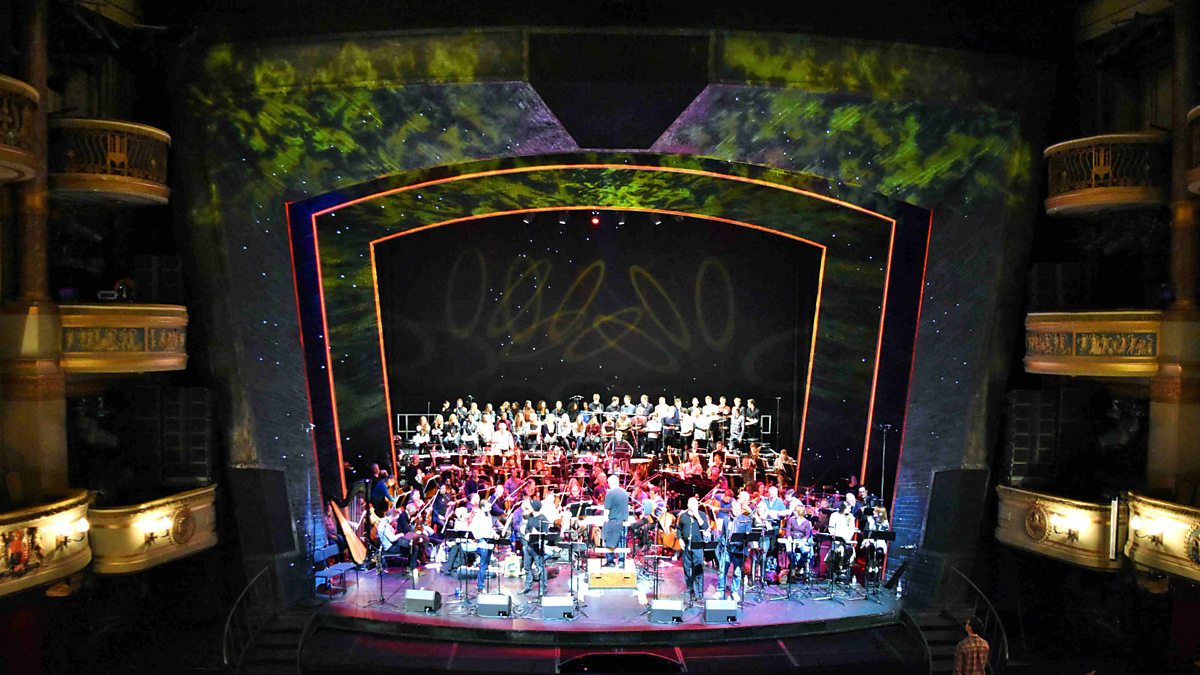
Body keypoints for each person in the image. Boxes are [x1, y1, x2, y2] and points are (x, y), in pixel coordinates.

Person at [676, 496, 711, 600]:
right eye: (691, 504)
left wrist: (697, 516)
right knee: (687, 568)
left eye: (695, 504)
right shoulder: (683, 516)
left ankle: (698, 592)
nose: (693, 506)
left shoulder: (702, 515)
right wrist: (680, 539)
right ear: (688, 505)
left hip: (698, 546)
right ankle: (690, 588)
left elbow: (705, 527)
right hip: (686, 545)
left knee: (698, 569)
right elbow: (678, 529)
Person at [521, 499, 551, 594]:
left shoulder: (543, 518)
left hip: (537, 547)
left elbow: (546, 533)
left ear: (534, 507)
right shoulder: (530, 517)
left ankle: (543, 589)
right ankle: (527, 587)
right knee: (527, 568)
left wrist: (537, 533)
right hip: (528, 546)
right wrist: (527, 533)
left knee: (541, 568)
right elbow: (527, 529)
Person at [602, 474, 629, 566]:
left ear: (610, 483)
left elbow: (607, 510)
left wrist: (605, 522)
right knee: (622, 541)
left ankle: (610, 561)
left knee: (609, 541)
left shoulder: (610, 493)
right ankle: (621, 561)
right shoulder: (625, 493)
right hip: (624, 521)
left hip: (613, 522)